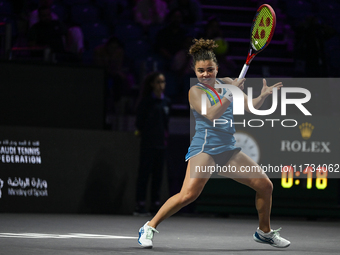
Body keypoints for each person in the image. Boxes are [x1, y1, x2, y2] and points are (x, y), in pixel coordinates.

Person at [137, 38, 291, 248]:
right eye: (201, 71)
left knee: (265, 185)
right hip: (205, 148)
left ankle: (264, 232)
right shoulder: (195, 92)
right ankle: (149, 226)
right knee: (188, 195)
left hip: (228, 149)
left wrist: (262, 97)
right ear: (195, 71)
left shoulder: (227, 82)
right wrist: (230, 92)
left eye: (210, 69)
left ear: (217, 68)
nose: (206, 74)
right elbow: (210, 114)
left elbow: (249, 107)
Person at [134, 72, 171, 216]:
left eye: (163, 82)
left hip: (161, 145)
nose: (161, 85)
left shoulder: (167, 102)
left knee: (158, 176)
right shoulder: (146, 102)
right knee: (144, 174)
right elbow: (139, 123)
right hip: (148, 144)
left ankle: (155, 205)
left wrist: (165, 138)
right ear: (152, 84)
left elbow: (166, 123)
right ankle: (140, 204)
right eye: (158, 82)